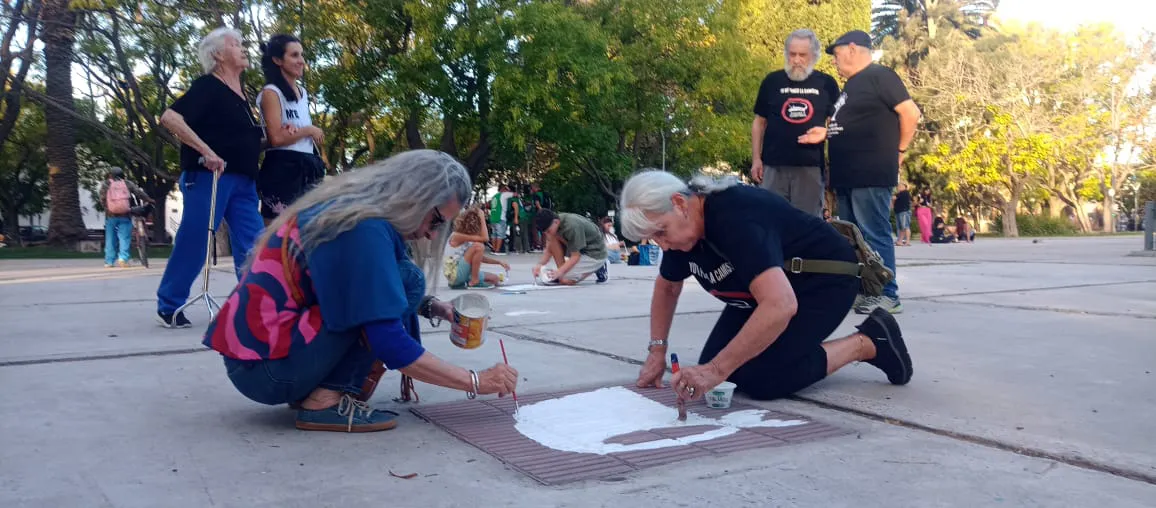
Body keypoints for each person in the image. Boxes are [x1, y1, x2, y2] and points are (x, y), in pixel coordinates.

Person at [202, 150, 519, 433]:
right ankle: (323, 401)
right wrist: (476, 381)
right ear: (415, 196)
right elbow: (389, 342)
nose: (430, 232)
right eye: (435, 219)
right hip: (266, 370)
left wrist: (435, 308)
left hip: (256, 361)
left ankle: (317, 390)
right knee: (406, 278)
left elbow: (364, 283)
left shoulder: (357, 212)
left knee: (401, 280)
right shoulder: (364, 227)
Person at [618, 170, 913, 403]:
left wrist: (716, 370)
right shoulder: (682, 238)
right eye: (654, 238)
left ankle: (869, 341)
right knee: (720, 370)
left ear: (680, 204)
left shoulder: (735, 216)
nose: (662, 244)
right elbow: (668, 287)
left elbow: (780, 304)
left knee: (761, 378)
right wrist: (657, 351)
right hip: (761, 294)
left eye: (661, 232)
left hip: (822, 280)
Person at [156, 27, 267, 328]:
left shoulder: (242, 95)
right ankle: (170, 304)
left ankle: (255, 305)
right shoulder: (208, 86)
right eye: (236, 44)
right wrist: (206, 150)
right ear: (218, 55)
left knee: (256, 243)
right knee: (196, 239)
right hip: (210, 176)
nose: (244, 48)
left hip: (244, 180)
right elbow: (170, 117)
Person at [826, 30, 921, 314]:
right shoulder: (851, 86)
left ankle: (888, 294)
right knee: (855, 239)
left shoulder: (881, 76)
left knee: (874, 233)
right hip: (847, 175)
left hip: (871, 171)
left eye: (837, 52)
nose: (834, 60)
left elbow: (910, 113)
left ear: (853, 48)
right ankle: (866, 292)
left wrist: (900, 151)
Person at [750, 29, 840, 217]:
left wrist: (834, 164)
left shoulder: (827, 84)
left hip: (810, 167)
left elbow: (837, 124)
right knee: (771, 221)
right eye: (792, 54)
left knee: (807, 224)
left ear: (814, 56)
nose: (797, 60)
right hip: (773, 167)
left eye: (802, 55)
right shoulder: (771, 81)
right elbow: (759, 122)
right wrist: (756, 159)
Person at [256, 34, 327, 224]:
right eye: (294, 55)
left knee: (310, 229)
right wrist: (308, 130)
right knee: (280, 234)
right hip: (283, 166)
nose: (301, 61)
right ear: (278, 60)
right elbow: (276, 138)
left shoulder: (302, 93)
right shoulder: (271, 93)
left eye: (301, 55)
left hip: (308, 163)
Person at [532, 209, 609, 285]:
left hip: (594, 253)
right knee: (552, 238)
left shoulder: (572, 226)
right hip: (580, 249)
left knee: (565, 280)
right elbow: (550, 249)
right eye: (545, 233)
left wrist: (559, 272)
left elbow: (576, 256)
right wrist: (540, 264)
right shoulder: (555, 223)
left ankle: (598, 267)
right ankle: (563, 271)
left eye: (548, 231)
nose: (547, 234)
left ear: (556, 222)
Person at [99, 167, 153, 268]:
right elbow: (138, 192)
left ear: (111, 175)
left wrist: (107, 208)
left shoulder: (106, 184)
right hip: (125, 214)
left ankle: (109, 262)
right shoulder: (127, 183)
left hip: (111, 216)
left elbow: (102, 198)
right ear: (122, 175)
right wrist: (148, 199)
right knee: (124, 238)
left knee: (110, 239)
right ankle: (123, 259)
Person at [445, 205, 509, 289]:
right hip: (455, 274)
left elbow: (479, 257)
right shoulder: (456, 236)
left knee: (495, 279)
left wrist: (499, 262)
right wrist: (482, 217)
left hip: (463, 272)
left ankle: (468, 281)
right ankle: (474, 281)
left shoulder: (468, 237)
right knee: (479, 246)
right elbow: (485, 238)